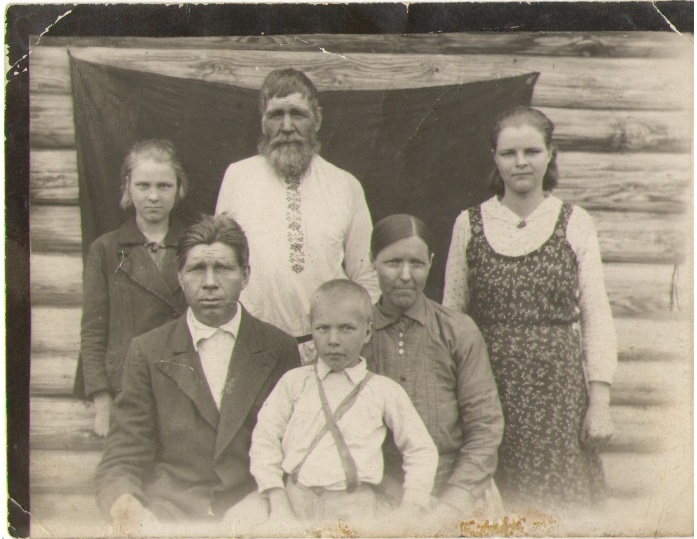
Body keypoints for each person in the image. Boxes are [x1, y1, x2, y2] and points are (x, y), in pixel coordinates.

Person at [443, 106, 617, 511]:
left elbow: (596, 315)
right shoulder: (469, 224)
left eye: (531, 151)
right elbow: (452, 318)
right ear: (494, 158)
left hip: (558, 396)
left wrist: (599, 403)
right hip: (488, 391)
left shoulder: (574, 222)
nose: (520, 162)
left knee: (560, 506)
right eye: (509, 153)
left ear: (549, 154)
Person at [95, 214, 301, 530]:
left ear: (245, 274)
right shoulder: (148, 350)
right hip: (169, 516)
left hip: (251, 515)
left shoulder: (279, 349)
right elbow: (123, 457)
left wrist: (263, 501)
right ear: (179, 275)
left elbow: (295, 451)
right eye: (196, 269)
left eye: (223, 268)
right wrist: (129, 510)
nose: (209, 282)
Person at [215, 68, 379, 360]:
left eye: (298, 114)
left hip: (326, 352)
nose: (287, 126)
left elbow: (366, 277)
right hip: (254, 350)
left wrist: (345, 341)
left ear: (317, 118)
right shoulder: (237, 177)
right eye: (276, 115)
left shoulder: (345, 185)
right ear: (262, 121)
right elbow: (222, 265)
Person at [246, 279, 438, 526]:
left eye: (346, 328)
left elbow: (421, 449)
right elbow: (265, 440)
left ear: (367, 332)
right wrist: (278, 500)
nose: (333, 339)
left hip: (354, 509)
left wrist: (412, 506)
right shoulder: (294, 383)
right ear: (311, 328)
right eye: (322, 328)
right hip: (294, 503)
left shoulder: (383, 391)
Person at [363, 214, 504, 528]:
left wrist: (451, 505)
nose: (405, 275)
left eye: (416, 263)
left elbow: (485, 428)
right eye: (393, 262)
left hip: (457, 491)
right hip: (381, 493)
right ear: (372, 261)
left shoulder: (457, 330)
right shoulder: (356, 336)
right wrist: (403, 500)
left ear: (430, 262)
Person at [75, 139, 189, 437]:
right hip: (126, 388)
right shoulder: (106, 249)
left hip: (183, 384)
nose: (153, 196)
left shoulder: (194, 245)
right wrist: (103, 405)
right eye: (143, 185)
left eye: (164, 186)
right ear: (127, 187)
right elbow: (93, 331)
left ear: (179, 189)